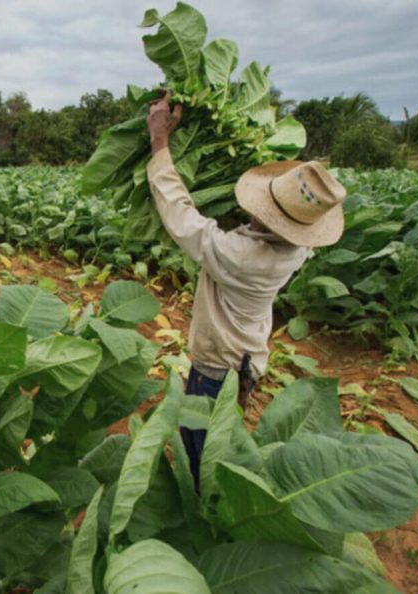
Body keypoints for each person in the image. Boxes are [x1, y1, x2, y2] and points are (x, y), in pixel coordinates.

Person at [145, 91, 347, 489]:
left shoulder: (244, 256)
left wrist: (160, 144)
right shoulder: (298, 247)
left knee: (201, 452)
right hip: (247, 360)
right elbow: (253, 226)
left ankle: (207, 515)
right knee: (222, 438)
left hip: (219, 368)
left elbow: (183, 218)